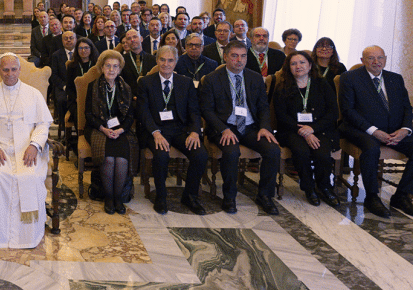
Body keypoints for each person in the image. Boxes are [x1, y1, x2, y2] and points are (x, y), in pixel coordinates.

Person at [0, 53, 53, 248]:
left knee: (30, 176)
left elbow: (43, 123)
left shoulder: (33, 94)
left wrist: (35, 145)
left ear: (20, 70)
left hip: (26, 150)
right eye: (6, 69)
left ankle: (28, 235)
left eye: (13, 69)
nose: (10, 73)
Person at [198, 41, 281, 215]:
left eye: (243, 56)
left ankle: (265, 196)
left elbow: (263, 106)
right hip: (225, 127)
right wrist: (223, 129)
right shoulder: (212, 79)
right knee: (231, 151)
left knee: (273, 150)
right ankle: (229, 197)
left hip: (250, 127)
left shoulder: (255, 77)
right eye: (235, 56)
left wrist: (265, 127)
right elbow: (206, 110)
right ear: (226, 57)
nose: (239, 60)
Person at [338, 45, 413, 217]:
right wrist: (374, 131)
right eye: (371, 58)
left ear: (385, 59)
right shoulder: (349, 78)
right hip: (360, 129)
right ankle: (372, 197)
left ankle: (401, 195)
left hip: (394, 131)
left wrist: (405, 129)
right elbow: (348, 111)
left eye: (380, 58)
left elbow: (407, 108)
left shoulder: (396, 78)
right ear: (362, 60)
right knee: (371, 149)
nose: (376, 62)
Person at [137, 46, 208, 215]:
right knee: (161, 154)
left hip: (180, 130)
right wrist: (155, 132)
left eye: (170, 60)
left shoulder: (186, 82)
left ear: (176, 62)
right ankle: (161, 197)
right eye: (162, 59)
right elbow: (143, 112)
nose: (166, 64)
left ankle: (190, 196)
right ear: (157, 60)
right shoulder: (145, 82)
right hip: (155, 130)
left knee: (200, 154)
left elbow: (194, 111)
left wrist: (194, 132)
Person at [273, 51, 340, 207]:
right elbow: (281, 116)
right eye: (293, 63)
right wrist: (302, 130)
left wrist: (312, 129)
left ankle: (324, 186)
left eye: (302, 62)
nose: (298, 66)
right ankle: (309, 187)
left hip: (320, 129)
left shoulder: (322, 84)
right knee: (301, 151)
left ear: (310, 65)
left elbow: (333, 112)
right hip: (291, 130)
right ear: (288, 67)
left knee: (322, 153)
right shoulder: (282, 86)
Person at [85, 50, 139, 214]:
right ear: (101, 67)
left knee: (121, 160)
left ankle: (118, 198)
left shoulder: (126, 88)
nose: (111, 69)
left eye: (115, 66)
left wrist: (121, 130)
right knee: (108, 159)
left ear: (120, 69)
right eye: (108, 66)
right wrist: (104, 129)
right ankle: (108, 197)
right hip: (98, 128)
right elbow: (88, 115)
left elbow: (130, 115)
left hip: (121, 130)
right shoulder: (92, 86)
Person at [66, 38, 99, 124]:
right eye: (80, 48)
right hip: (76, 99)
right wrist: (76, 98)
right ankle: (80, 135)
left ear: (91, 49)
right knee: (79, 113)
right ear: (77, 50)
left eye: (86, 48)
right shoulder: (72, 66)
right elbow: (69, 88)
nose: (83, 50)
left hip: (94, 98)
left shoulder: (97, 65)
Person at [50, 31, 76, 127]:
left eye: (71, 38)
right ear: (62, 41)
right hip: (63, 86)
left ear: (75, 40)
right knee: (62, 100)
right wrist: (64, 86)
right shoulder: (56, 55)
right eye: (66, 38)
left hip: (78, 86)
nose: (68, 40)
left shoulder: (81, 52)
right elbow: (54, 75)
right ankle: (63, 127)